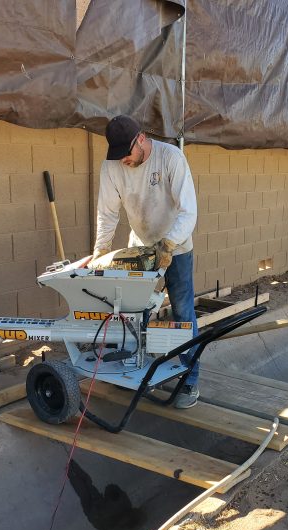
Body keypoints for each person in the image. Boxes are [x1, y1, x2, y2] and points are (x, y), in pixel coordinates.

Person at [88, 115, 200, 409]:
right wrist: (101, 252)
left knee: (182, 310)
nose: (124, 161)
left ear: (140, 140)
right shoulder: (112, 166)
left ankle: (189, 380)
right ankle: (132, 369)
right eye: (118, 156)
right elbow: (108, 213)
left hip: (177, 246)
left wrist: (169, 243)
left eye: (128, 154)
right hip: (140, 246)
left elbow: (189, 210)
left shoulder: (171, 158)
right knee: (132, 313)